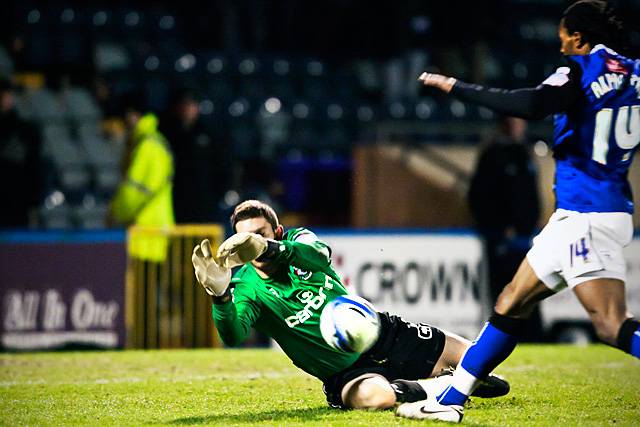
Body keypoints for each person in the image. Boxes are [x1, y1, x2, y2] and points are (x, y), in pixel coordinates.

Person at [410, 0, 640, 421]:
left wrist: (457, 87)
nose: (562, 48)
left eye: (564, 40)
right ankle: (450, 401)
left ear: (580, 37)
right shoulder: (636, 73)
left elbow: (531, 104)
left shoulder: (581, 68)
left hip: (586, 214)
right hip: (587, 211)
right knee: (511, 302)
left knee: (610, 324)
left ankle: (451, 399)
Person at [191, 199, 509, 415]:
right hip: (347, 370)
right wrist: (219, 296)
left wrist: (272, 248)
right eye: (243, 238)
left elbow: (318, 255)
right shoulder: (245, 287)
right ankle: (441, 384)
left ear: (276, 231)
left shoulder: (298, 240)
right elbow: (233, 336)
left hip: (384, 333)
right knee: (378, 399)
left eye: (258, 234)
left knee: (482, 363)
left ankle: (448, 376)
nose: (251, 244)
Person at [468, 116, 543, 340]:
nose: (520, 126)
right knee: (506, 290)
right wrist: (500, 227)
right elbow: (480, 196)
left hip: (524, 237)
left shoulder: (524, 153)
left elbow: (529, 195)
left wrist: (532, 220)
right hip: (503, 238)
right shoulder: (494, 155)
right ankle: (503, 336)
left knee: (529, 290)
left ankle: (532, 336)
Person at [108, 94, 174, 263]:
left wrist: (115, 213)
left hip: (148, 233)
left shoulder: (148, 146)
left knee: (144, 288)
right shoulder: (151, 143)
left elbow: (134, 192)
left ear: (133, 115)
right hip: (152, 232)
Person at [160, 88, 231, 224]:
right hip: (176, 203)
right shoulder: (169, 133)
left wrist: (217, 193)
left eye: (191, 105)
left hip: (205, 205)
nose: (187, 109)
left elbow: (223, 165)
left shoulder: (209, 134)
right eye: (184, 105)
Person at [0, 79, 42, 227]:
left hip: (18, 199)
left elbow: (34, 167)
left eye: (7, 95)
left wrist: (34, 201)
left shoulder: (25, 130)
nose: (8, 99)